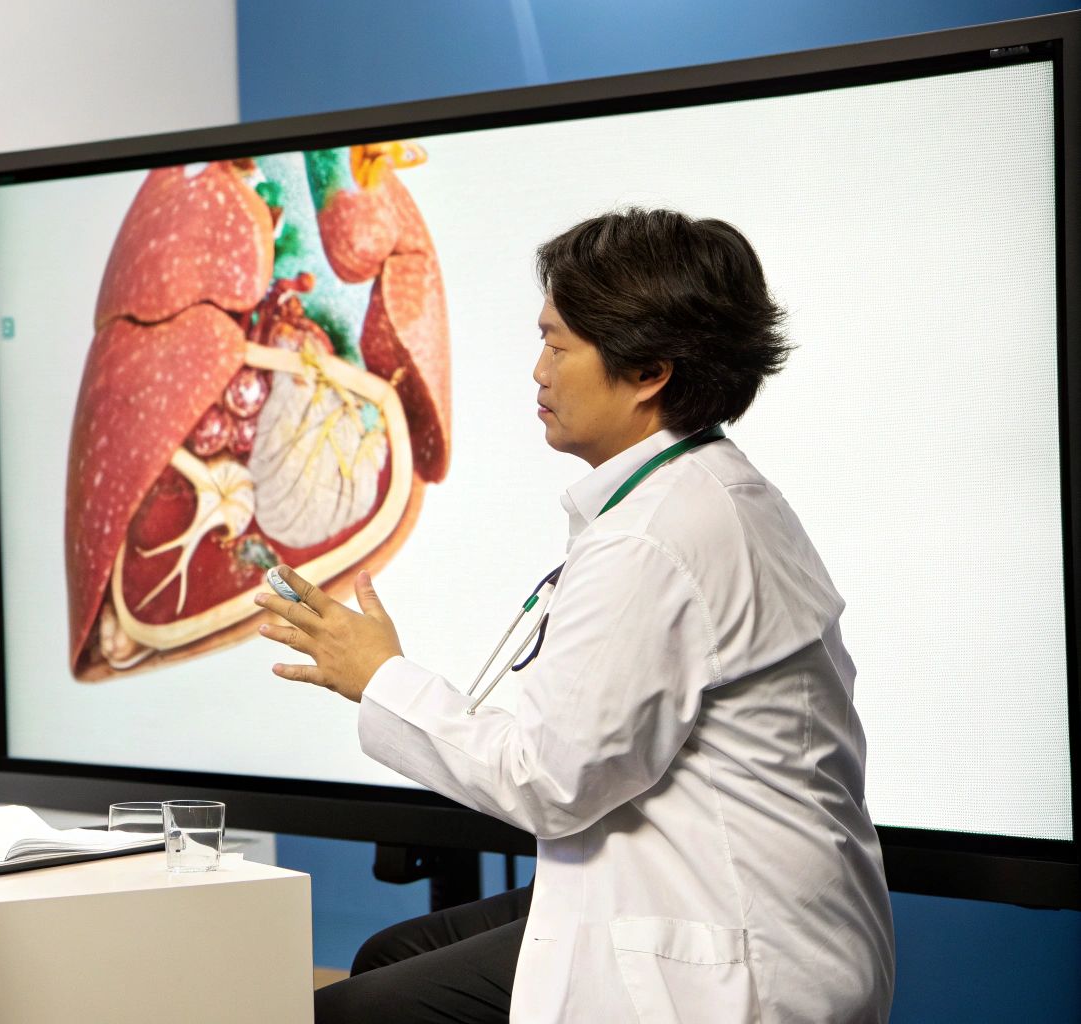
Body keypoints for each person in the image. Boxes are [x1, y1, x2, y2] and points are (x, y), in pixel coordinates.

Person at [260, 209, 895, 1022]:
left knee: (356, 1012)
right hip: (720, 898)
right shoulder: (704, 491)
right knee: (393, 955)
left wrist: (378, 676)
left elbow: (549, 782)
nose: (538, 372)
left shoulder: (655, 539)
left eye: (558, 347)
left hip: (736, 957)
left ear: (650, 371)